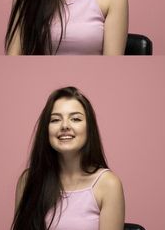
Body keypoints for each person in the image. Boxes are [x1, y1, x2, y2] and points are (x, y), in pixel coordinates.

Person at [12, 87, 124, 230]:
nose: (65, 126)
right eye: (55, 120)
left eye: (75, 119)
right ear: (46, 130)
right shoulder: (28, 181)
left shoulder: (108, 185)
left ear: (89, 129)